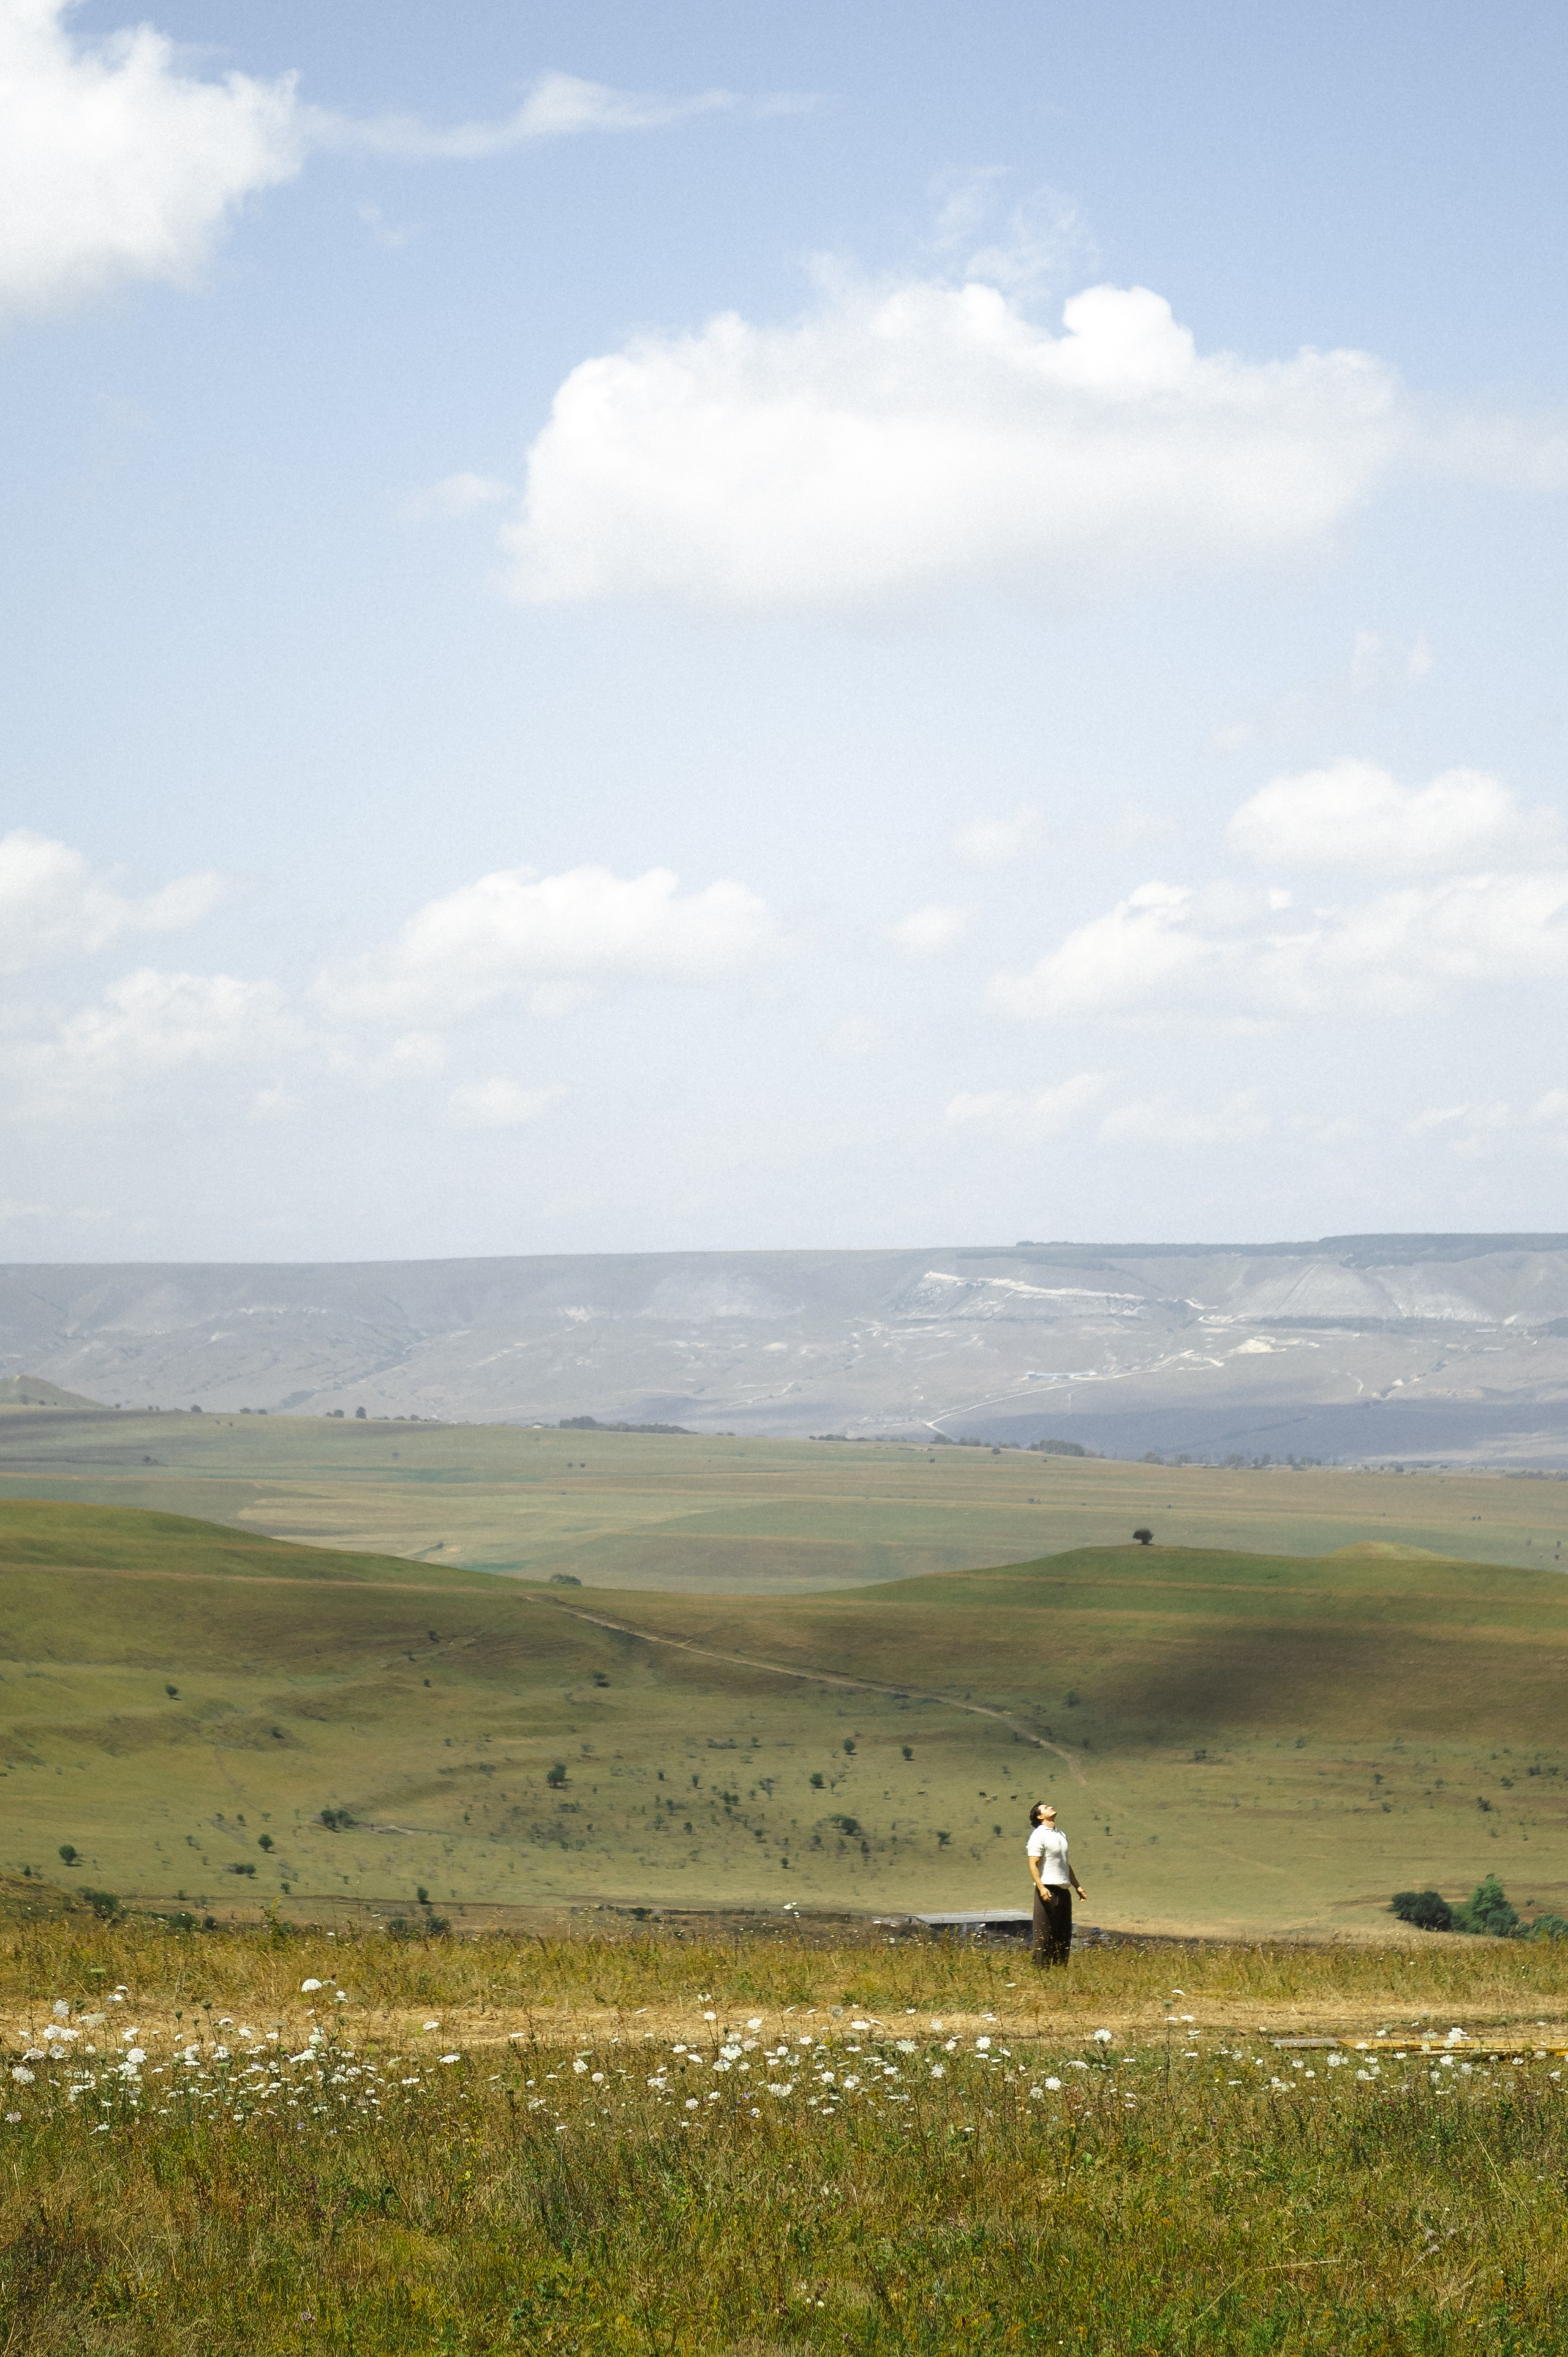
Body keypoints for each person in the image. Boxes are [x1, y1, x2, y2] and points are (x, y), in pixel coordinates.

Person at [1026, 1801, 1085, 1967]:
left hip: (1064, 1890)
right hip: (1047, 1889)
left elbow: (1065, 1864)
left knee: (1064, 1933)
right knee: (1044, 1934)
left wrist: (1077, 1886)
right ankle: (1040, 1971)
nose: (1050, 1807)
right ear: (1040, 1816)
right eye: (1045, 1808)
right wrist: (1041, 1887)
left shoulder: (1061, 1834)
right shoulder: (1039, 1835)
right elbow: (1033, 1864)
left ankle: (1060, 1970)